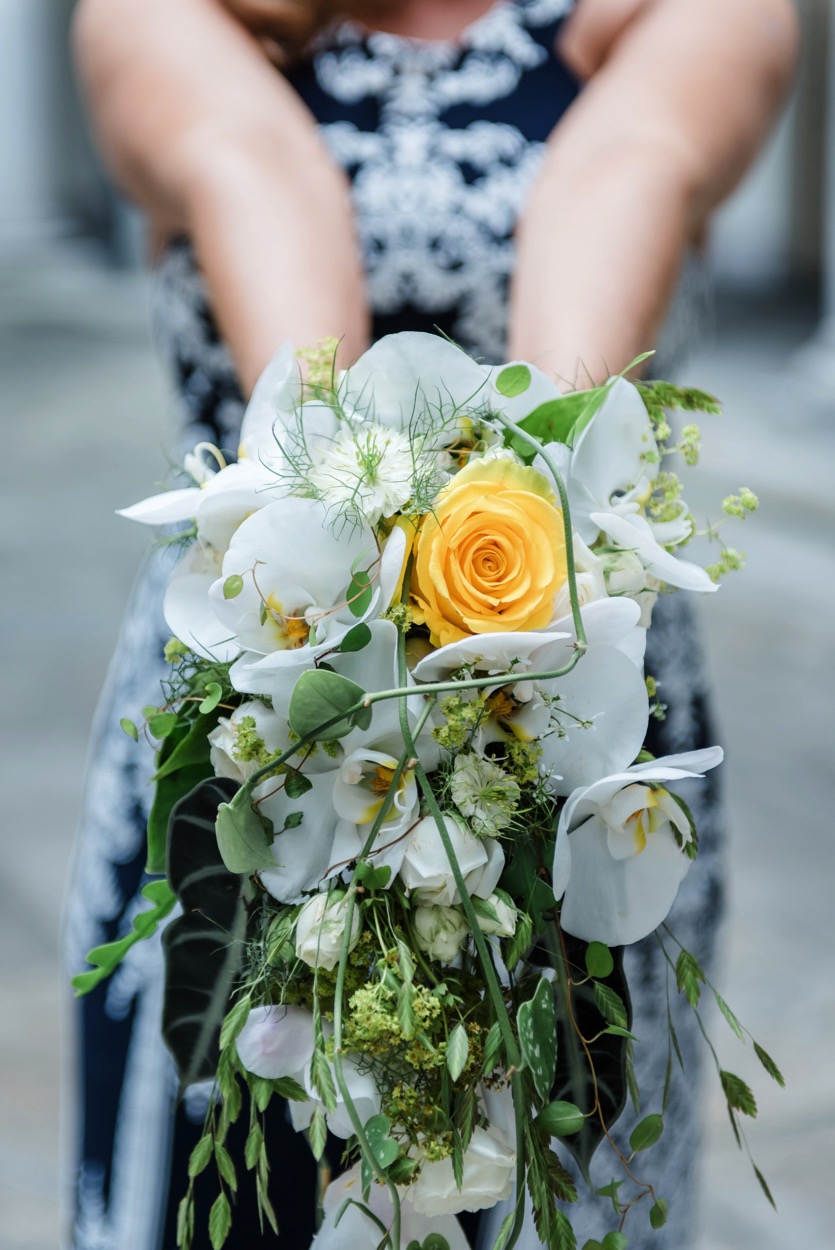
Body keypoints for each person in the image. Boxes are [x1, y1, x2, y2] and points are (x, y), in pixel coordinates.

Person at [67, 2, 797, 1248]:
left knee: (559, 1159)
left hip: (572, 707)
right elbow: (257, 184)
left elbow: (622, 174)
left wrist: (526, 593)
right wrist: (356, 593)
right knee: (241, 1169)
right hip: (272, 692)